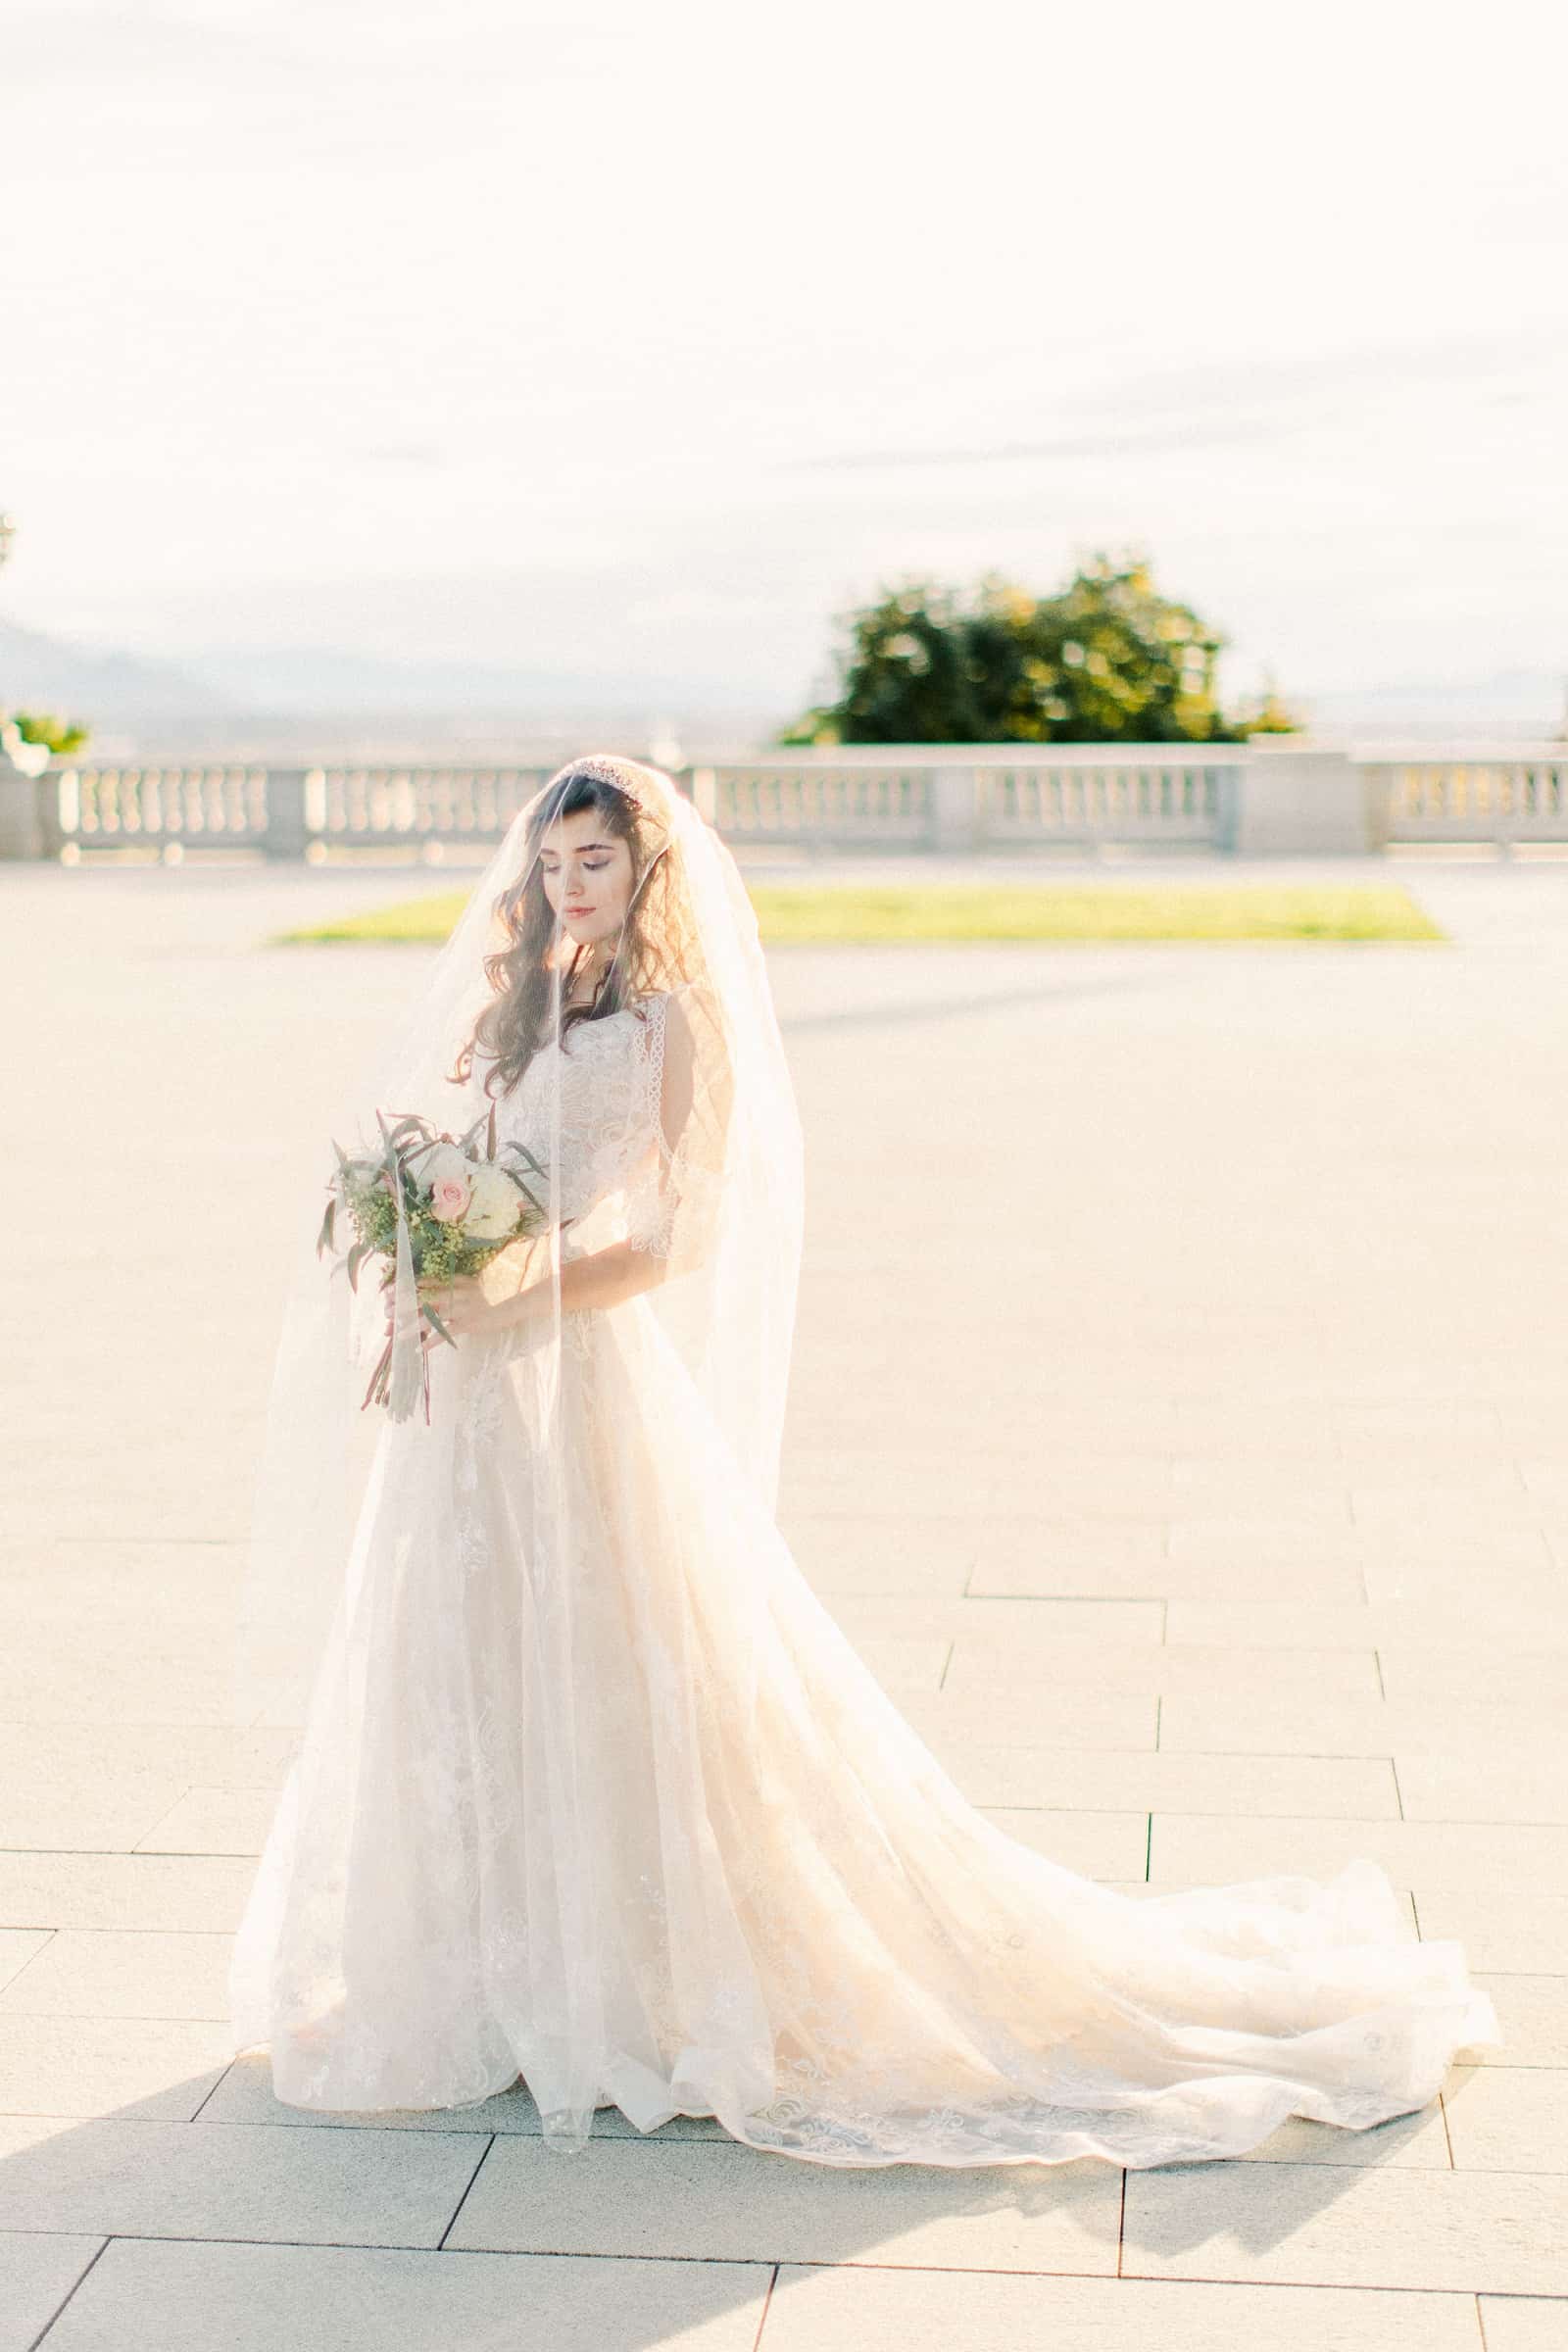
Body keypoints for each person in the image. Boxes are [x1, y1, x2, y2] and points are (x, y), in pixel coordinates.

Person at [229, 752, 1497, 2170]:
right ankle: (496, 1965)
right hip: (478, 1398)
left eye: (596, 863)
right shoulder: (525, 1005)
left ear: (647, 874)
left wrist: (509, 1302)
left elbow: (665, 1241)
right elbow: (486, 1185)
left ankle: (628, 1970)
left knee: (611, 1656)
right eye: (552, 864)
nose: (569, 887)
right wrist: (431, 1282)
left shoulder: (673, 1022)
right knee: (468, 1656)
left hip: (581, 1379)